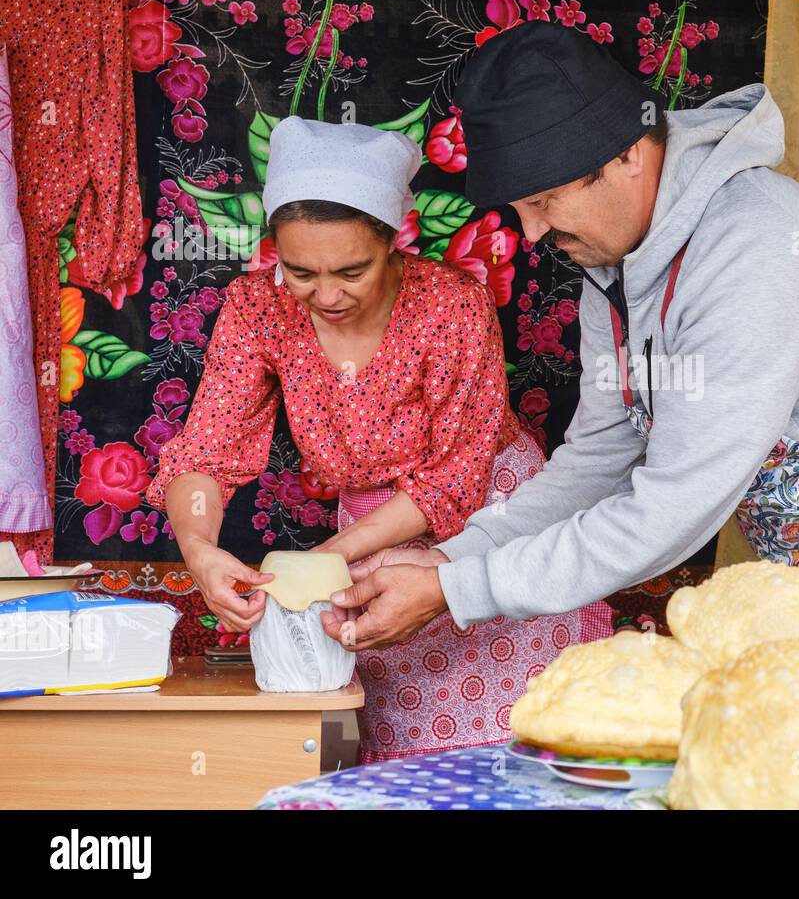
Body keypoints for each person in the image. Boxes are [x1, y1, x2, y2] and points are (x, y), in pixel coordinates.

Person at [333, 21, 799, 653]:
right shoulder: (612, 266)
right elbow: (599, 462)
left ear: (628, 157)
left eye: (545, 201)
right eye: (522, 209)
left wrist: (466, 591)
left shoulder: (761, 247)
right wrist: (453, 562)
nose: (532, 234)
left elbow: (675, 507)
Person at [146, 116, 610, 759]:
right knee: (402, 754)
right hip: (368, 533)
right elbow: (204, 451)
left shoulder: (452, 304)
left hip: (489, 524)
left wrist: (323, 562)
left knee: (515, 747)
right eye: (300, 271)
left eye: (351, 270)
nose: (326, 294)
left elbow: (456, 478)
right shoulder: (257, 306)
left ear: (395, 239)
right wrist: (198, 548)